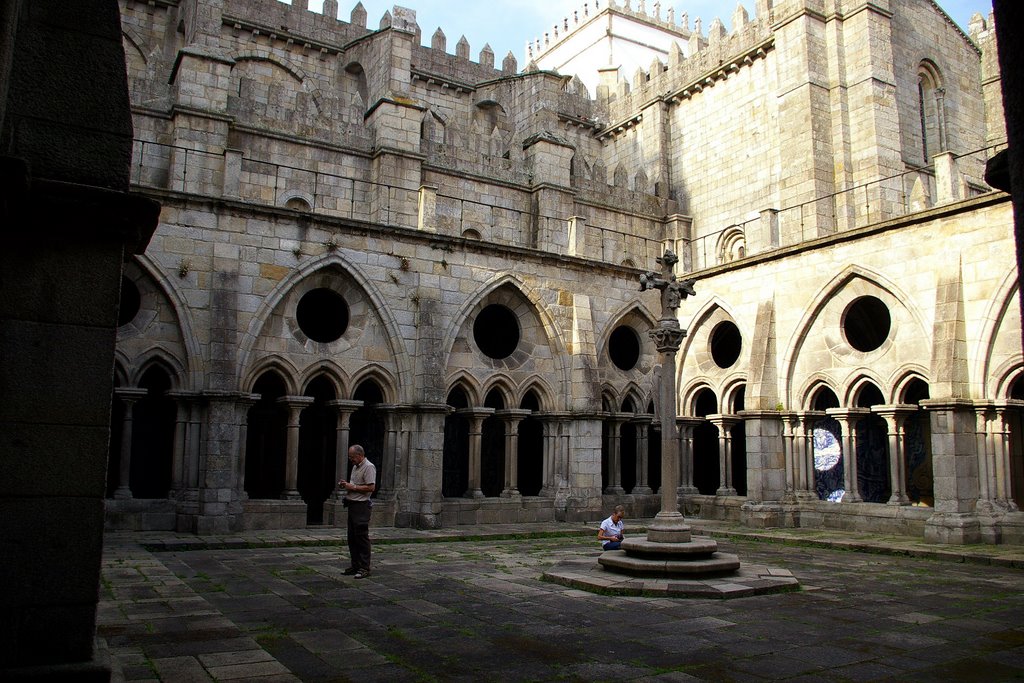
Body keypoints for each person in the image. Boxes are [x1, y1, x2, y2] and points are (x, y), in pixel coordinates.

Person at [339, 444, 376, 578]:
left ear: (360, 455)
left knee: (361, 538)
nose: (351, 460)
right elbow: (356, 485)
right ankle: (356, 565)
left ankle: (365, 568)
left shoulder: (369, 467)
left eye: (352, 457)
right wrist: (347, 485)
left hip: (361, 506)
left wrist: (352, 486)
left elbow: (371, 487)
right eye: (350, 457)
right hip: (353, 504)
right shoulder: (356, 467)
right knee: (352, 538)